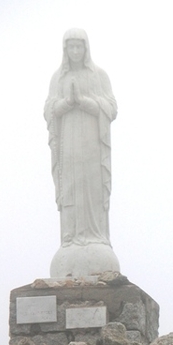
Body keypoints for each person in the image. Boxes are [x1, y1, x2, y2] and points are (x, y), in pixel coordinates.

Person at [44, 28, 117, 248]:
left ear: (86, 48)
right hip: (69, 144)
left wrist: (85, 102)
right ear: (65, 49)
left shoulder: (99, 76)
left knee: (92, 185)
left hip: (92, 143)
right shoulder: (58, 78)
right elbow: (48, 110)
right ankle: (71, 235)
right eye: (71, 47)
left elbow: (112, 109)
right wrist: (67, 102)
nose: (75, 51)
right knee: (71, 185)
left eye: (79, 46)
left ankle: (97, 236)